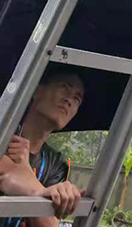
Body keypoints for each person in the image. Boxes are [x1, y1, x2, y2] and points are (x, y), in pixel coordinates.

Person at [0, 68, 86, 227]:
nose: (69, 100)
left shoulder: (56, 164)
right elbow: (6, 173)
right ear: (36, 90)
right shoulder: (3, 132)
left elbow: (49, 224)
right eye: (64, 87)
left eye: (77, 99)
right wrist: (40, 192)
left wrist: (36, 189)